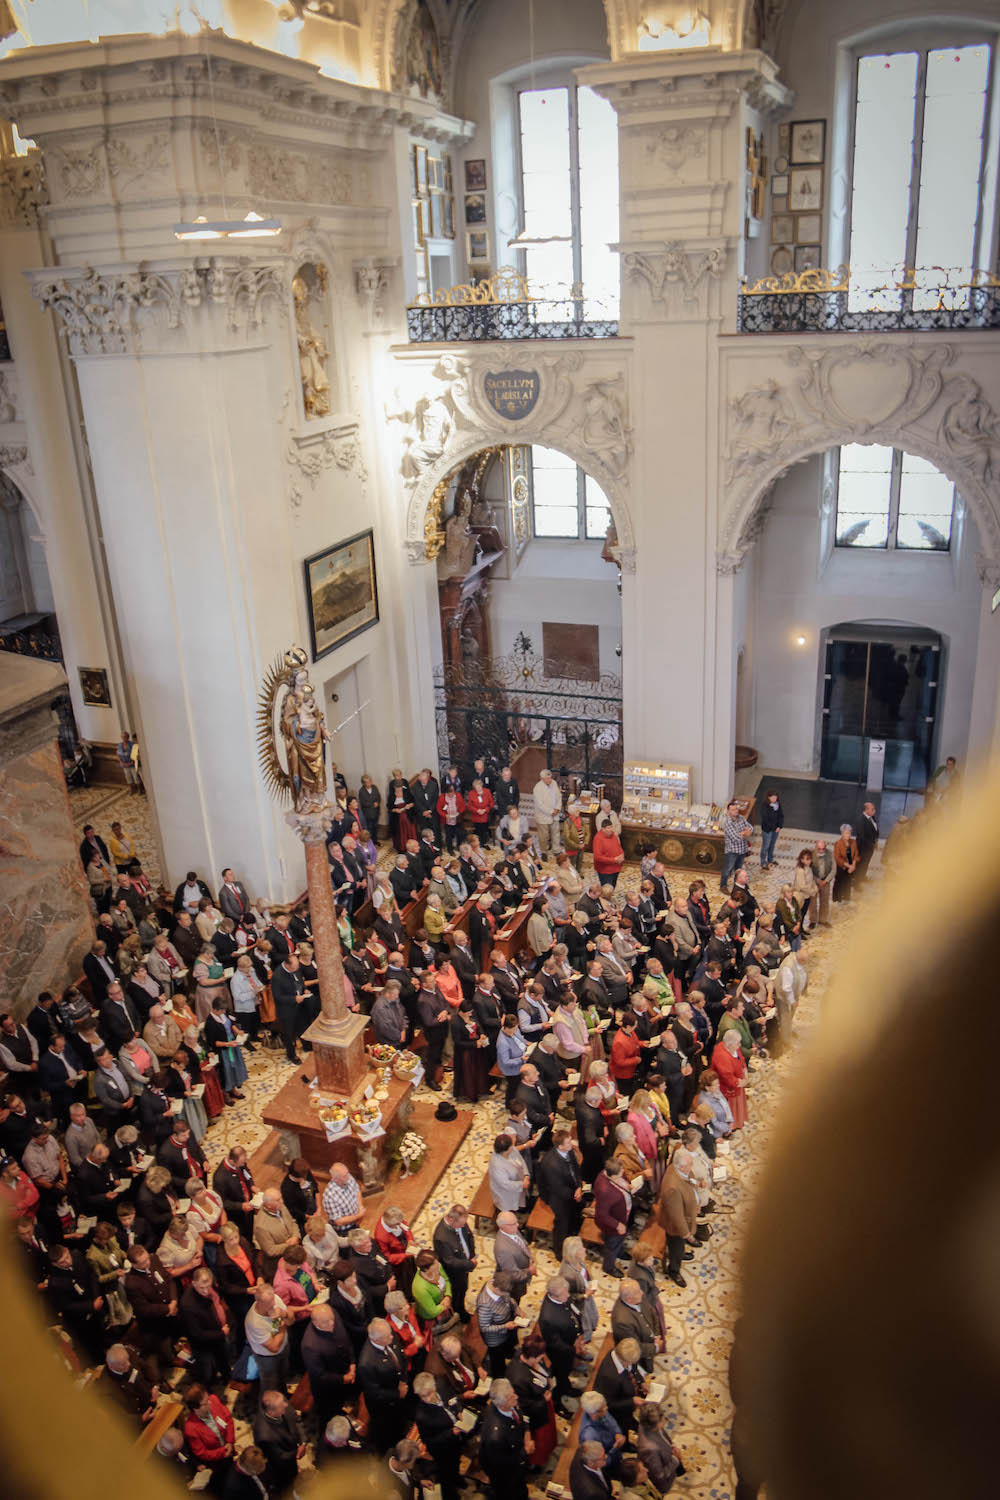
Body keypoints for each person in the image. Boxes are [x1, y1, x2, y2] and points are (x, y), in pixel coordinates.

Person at [358, 1316, 410, 1452]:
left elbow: (402, 1358)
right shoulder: (367, 1363)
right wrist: (397, 1393)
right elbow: (374, 1393)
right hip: (384, 1407)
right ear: (375, 1340)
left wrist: (403, 1380)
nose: (392, 1338)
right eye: (387, 1337)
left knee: (400, 1422)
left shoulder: (387, 1333)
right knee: (386, 1432)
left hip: (398, 1394)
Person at [412, 1371, 467, 1500]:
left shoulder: (442, 1384)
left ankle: (457, 1478)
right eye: (422, 1396)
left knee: (456, 1462)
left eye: (428, 1394)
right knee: (446, 1474)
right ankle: (452, 1494)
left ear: (434, 1387)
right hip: (443, 1450)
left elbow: (454, 1399)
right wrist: (450, 1433)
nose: (426, 1399)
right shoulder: (422, 1415)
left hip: (457, 1440)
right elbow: (429, 1441)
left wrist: (459, 1411)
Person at [538, 1274, 583, 1413]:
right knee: (561, 1374)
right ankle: (557, 1402)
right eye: (565, 1294)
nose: (569, 1295)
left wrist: (579, 1334)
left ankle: (567, 1387)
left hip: (569, 1343)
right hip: (560, 1354)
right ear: (555, 1296)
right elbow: (555, 1343)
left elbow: (572, 1311)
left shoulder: (561, 1296)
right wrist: (574, 1350)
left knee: (565, 1374)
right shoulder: (548, 1317)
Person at [479, 1378, 531, 1500]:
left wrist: (527, 1431)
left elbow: (521, 1417)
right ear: (501, 1405)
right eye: (510, 1397)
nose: (516, 1397)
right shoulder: (495, 1436)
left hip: (516, 1463)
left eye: (513, 1392)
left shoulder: (508, 1404)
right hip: (506, 1476)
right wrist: (525, 1451)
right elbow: (502, 1464)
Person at [537, 1127, 583, 1260]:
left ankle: (573, 1232)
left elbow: (575, 1169)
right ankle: (559, 1251)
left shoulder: (569, 1151)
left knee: (574, 1214)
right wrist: (575, 1194)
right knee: (561, 1223)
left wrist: (579, 1186)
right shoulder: (551, 1164)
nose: (572, 1144)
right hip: (556, 1197)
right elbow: (558, 1188)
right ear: (560, 1146)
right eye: (569, 1142)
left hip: (572, 1190)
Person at [181, 1265, 231, 1386]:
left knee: (223, 1358)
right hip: (203, 1344)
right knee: (206, 1371)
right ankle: (209, 1390)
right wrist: (221, 1333)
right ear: (193, 1283)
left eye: (208, 1286)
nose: (205, 1291)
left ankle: (226, 1376)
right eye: (201, 1287)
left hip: (218, 1333)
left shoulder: (211, 1286)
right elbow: (197, 1334)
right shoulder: (188, 1305)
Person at [244, 1283, 292, 1393]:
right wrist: (283, 1328)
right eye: (269, 1302)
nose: (274, 1304)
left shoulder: (275, 1299)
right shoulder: (254, 1322)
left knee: (283, 1377)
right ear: (259, 1302)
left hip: (283, 1348)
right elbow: (274, 1348)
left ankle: (283, 1397)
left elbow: (291, 1320)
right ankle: (268, 1408)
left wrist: (284, 1314)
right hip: (267, 1358)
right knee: (270, 1387)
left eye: (273, 1299)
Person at [432, 1204, 476, 1324]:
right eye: (461, 1224)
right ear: (451, 1220)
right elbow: (450, 1261)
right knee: (457, 1294)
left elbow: (469, 1236)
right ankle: (459, 1313)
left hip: (465, 1266)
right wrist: (470, 1264)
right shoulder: (441, 1237)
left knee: (464, 1288)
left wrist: (472, 1254)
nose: (463, 1225)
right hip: (455, 1273)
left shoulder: (460, 1221)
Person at [253, 1390, 303, 1492]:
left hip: (291, 1448)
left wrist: (303, 1441)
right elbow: (280, 1458)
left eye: (284, 1401)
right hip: (281, 1467)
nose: (286, 1405)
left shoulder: (280, 1403)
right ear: (270, 1412)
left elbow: (296, 1419)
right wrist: (297, 1453)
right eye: (282, 1405)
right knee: (286, 1486)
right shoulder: (264, 1436)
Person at [593, 1338, 646, 1436]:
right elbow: (610, 1404)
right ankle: (626, 1446)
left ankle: (632, 1423)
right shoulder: (610, 1376)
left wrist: (641, 1382)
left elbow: (633, 1369)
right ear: (622, 1359)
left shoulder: (621, 1354)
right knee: (622, 1428)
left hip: (625, 1395)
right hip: (616, 1411)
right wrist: (632, 1401)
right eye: (630, 1362)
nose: (631, 1364)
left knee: (629, 1419)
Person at [635, 1402, 685, 1494]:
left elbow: (662, 1435)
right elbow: (660, 1475)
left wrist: (671, 1446)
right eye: (661, 1419)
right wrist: (675, 1459)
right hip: (665, 1478)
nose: (664, 1420)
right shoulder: (649, 1449)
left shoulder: (645, 1424)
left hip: (667, 1455)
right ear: (654, 1424)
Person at [183, 1384, 235, 1472]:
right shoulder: (190, 1429)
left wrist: (230, 1442)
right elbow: (202, 1453)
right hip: (217, 1459)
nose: (210, 1402)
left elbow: (228, 1419)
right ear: (195, 1408)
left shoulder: (213, 1399)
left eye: (208, 1398)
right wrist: (223, 1451)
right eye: (206, 1402)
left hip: (229, 1446)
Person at [593, 1162, 632, 1277]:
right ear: (614, 1176)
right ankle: (608, 1267)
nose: (623, 1171)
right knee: (612, 1244)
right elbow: (601, 1214)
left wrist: (628, 1187)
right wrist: (617, 1225)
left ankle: (619, 1252)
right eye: (621, 1171)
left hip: (622, 1216)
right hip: (613, 1224)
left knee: (619, 1240)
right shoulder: (605, 1190)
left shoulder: (608, 1173)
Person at [611, 1278, 659, 1368]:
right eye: (638, 1292)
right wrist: (656, 1347)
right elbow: (635, 1347)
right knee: (645, 1368)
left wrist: (656, 1334)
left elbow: (652, 1313)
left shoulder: (637, 1296)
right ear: (629, 1299)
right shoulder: (622, 1322)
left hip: (650, 1340)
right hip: (640, 1353)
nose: (642, 1293)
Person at [254, 1187, 299, 1280]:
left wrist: (295, 1236)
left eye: (281, 1198)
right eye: (278, 1200)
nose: (282, 1201)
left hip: (293, 1252)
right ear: (268, 1205)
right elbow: (270, 1250)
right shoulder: (261, 1226)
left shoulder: (280, 1207)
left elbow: (292, 1222)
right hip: (278, 1263)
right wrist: (288, 1245)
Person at [710, 1029, 748, 1129]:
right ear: (730, 1044)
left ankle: (739, 1121)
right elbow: (727, 1077)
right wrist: (741, 1082)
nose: (739, 1045)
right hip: (726, 1088)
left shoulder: (733, 1046)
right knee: (729, 1108)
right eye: (737, 1043)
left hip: (738, 1081)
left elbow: (741, 1057)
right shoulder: (722, 1056)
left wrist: (744, 1069)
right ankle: (730, 1127)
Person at [489, 1133, 530, 1214]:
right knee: (513, 1205)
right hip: (506, 1193)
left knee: (522, 1198)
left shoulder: (511, 1149)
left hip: (520, 1180)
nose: (513, 1146)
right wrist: (522, 1184)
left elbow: (521, 1160)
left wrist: (526, 1175)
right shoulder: (497, 1166)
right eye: (511, 1146)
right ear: (505, 1150)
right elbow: (506, 1184)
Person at [720, 800, 753, 892]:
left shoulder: (741, 818)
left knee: (738, 869)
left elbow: (750, 828)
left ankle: (738, 885)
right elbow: (735, 837)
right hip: (732, 851)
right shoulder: (728, 824)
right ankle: (723, 886)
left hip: (742, 849)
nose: (736, 811)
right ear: (728, 812)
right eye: (733, 810)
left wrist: (743, 833)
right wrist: (745, 833)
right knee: (728, 869)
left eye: (736, 809)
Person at [321, 1162, 364, 1232]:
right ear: (335, 1179)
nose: (348, 1177)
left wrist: (360, 1208)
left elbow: (357, 1191)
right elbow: (339, 1221)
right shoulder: (329, 1197)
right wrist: (358, 1216)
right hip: (344, 1230)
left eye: (347, 1173)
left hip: (356, 1222)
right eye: (344, 1176)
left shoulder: (348, 1177)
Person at [532, 769, 563, 855]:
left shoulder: (554, 783)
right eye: (547, 778)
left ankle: (556, 850)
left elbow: (559, 796)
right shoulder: (537, 788)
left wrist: (557, 808)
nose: (549, 780)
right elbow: (540, 805)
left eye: (550, 778)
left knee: (556, 833)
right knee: (544, 836)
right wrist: (551, 812)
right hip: (543, 816)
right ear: (542, 779)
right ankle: (544, 851)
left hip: (555, 814)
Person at [592, 821, 625, 889]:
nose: (611, 829)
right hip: (605, 870)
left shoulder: (612, 835)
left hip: (616, 867)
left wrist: (622, 855)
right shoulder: (598, 839)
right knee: (606, 890)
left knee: (613, 886)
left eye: (611, 827)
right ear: (603, 829)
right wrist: (614, 860)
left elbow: (618, 846)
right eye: (608, 828)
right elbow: (598, 857)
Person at [833, 824, 859, 903]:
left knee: (848, 882)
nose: (848, 835)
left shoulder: (853, 842)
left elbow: (856, 854)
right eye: (846, 833)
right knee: (839, 882)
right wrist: (849, 866)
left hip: (851, 866)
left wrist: (853, 865)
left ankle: (846, 898)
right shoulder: (838, 843)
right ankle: (837, 899)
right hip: (842, 866)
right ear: (842, 833)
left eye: (849, 833)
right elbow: (837, 858)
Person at [759, 790, 783, 869]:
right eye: (772, 797)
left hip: (776, 829)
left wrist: (779, 826)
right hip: (768, 830)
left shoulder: (778, 805)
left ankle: (770, 859)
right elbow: (766, 819)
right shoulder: (765, 806)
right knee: (766, 846)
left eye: (775, 797)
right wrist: (774, 828)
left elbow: (781, 816)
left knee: (772, 845)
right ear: (769, 797)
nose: (774, 798)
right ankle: (763, 862)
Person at [856, 801, 880, 882]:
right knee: (861, 865)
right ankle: (857, 882)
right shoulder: (861, 820)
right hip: (863, 848)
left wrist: (876, 840)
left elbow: (875, 828)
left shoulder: (871, 817)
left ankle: (862, 877)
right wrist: (872, 845)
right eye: (872, 809)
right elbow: (862, 837)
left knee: (865, 864)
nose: (875, 811)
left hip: (870, 847)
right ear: (866, 810)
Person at [811, 839, 834, 925]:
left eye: (823, 848)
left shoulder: (830, 853)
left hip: (825, 881)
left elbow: (833, 869)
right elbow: (808, 870)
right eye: (819, 848)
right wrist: (817, 880)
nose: (821, 851)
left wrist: (826, 881)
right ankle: (813, 920)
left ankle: (823, 920)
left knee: (824, 901)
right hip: (813, 881)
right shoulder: (810, 854)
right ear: (816, 847)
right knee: (812, 902)